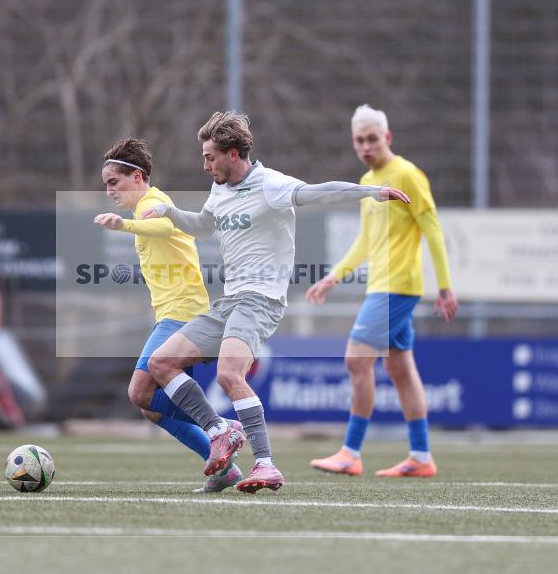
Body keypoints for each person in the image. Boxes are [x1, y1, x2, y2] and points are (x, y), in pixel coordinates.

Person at [143, 111, 409, 493]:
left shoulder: (270, 185)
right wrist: (169, 211)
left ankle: (266, 465)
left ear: (233, 154)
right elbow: (203, 225)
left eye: (210, 157)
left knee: (229, 375)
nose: (205, 165)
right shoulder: (220, 189)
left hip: (261, 300)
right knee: (161, 363)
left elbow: (319, 191)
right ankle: (219, 430)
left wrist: (370, 192)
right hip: (229, 301)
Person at [307, 105, 458, 478]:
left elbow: (433, 229)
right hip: (382, 286)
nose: (365, 146)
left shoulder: (407, 174)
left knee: (357, 362)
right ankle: (421, 456)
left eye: (372, 139)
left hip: (398, 286)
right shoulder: (367, 184)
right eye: (359, 140)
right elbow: (365, 241)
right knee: (400, 369)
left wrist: (444, 286)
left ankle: (350, 452)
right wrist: (333, 277)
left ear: (387, 138)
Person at [93, 137, 243, 493]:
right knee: (154, 408)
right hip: (175, 313)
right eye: (106, 185)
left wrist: (123, 226)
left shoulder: (154, 202)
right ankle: (224, 467)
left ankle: (220, 427)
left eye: (114, 182)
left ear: (138, 177)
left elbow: (163, 226)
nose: (110, 191)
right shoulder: (144, 206)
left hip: (183, 314)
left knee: (139, 392)